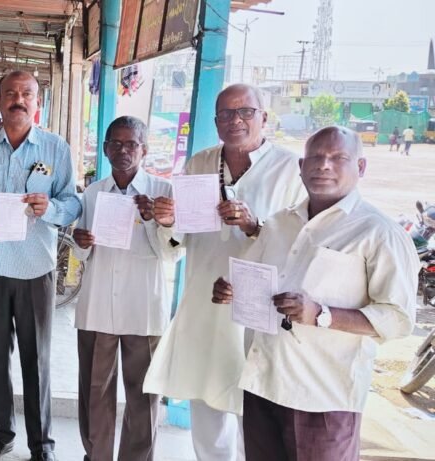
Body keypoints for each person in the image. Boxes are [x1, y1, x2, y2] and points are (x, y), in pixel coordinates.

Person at [211, 126, 418, 461]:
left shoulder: (378, 232)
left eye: (338, 158)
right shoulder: (280, 223)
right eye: (316, 157)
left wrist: (322, 315)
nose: (324, 165)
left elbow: (397, 319)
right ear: (301, 166)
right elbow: (252, 274)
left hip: (322, 397)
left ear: (360, 167)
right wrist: (229, 287)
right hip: (264, 382)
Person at [143, 83, 306, 461]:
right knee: (208, 408)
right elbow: (177, 243)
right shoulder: (199, 164)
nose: (236, 120)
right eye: (226, 114)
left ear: (264, 117)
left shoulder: (289, 170)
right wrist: (168, 221)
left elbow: (302, 245)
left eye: (245, 111)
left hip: (261, 311)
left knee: (258, 413)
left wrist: (254, 226)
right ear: (216, 121)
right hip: (206, 302)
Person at [0, 70, 82, 461]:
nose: (18, 100)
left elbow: (72, 203)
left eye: (27, 94)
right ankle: (1, 433)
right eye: (10, 93)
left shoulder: (55, 149)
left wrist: (50, 208)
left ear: (37, 103)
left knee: (36, 359)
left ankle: (41, 444)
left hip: (34, 269)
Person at [72, 116, 177, 461]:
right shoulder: (93, 193)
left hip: (142, 305)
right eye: (115, 143)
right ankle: (96, 455)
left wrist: (154, 221)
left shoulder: (163, 192)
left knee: (143, 394)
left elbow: (172, 253)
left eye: (131, 143)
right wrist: (81, 242)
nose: (123, 150)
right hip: (98, 304)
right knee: (94, 390)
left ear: (144, 149)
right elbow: (82, 252)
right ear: (105, 149)